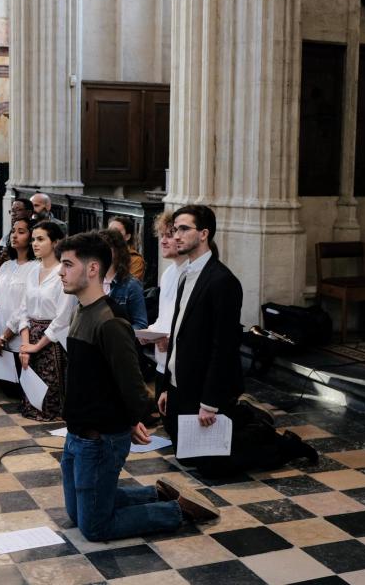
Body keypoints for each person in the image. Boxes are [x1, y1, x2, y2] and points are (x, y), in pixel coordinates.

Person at [57, 232, 220, 542]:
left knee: (94, 528)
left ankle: (177, 511)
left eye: (67, 264)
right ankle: (154, 493)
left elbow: (131, 382)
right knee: (77, 515)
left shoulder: (110, 321)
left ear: (93, 269)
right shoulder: (81, 310)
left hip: (99, 439)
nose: (61, 272)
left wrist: (132, 419)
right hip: (77, 433)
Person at [158, 205, 317, 477]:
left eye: (184, 228)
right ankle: (241, 417)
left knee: (214, 468)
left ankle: (282, 444)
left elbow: (224, 346)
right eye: (175, 229)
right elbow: (178, 333)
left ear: (204, 234)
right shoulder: (185, 276)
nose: (176, 235)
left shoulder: (222, 281)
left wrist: (209, 402)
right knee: (187, 457)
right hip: (182, 382)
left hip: (205, 385)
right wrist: (166, 385)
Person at [15, 220, 75, 421]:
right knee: (31, 397)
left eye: (40, 239)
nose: (34, 244)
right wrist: (25, 345)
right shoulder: (32, 270)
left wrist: (37, 346)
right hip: (31, 335)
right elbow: (22, 310)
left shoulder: (63, 273)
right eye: (33, 240)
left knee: (50, 404)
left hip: (53, 341)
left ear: (56, 242)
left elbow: (62, 318)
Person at [0, 216, 36, 397]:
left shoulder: (36, 268)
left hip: (17, 340)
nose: (14, 235)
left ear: (31, 238)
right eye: (13, 231)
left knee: (19, 393)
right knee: (7, 391)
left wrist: (5, 336)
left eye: (21, 232)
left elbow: (24, 309)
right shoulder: (6, 266)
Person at [145, 213, 184, 374]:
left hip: (181, 365)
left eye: (168, 235)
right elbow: (164, 318)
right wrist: (150, 332)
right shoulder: (168, 273)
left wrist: (173, 343)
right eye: (161, 236)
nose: (162, 241)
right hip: (161, 364)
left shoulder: (192, 276)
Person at [98, 229, 148, 330]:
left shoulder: (131, 285)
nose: (101, 252)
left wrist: (118, 333)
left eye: (107, 247)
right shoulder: (92, 281)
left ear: (118, 251)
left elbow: (141, 324)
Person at [108, 216, 146, 282]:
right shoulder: (102, 253)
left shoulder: (135, 260)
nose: (111, 235)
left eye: (116, 231)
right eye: (109, 231)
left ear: (127, 236)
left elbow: (128, 286)